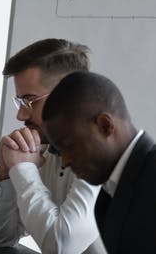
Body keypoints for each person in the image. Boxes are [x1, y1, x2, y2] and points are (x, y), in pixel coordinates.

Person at [0, 38, 104, 253]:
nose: (20, 115)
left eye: (30, 100)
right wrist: (4, 173)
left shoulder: (103, 158)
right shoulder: (41, 152)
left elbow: (62, 247)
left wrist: (24, 170)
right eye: (19, 102)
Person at [43, 71, 156, 254]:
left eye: (69, 146)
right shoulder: (105, 196)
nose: (65, 161)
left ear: (105, 125)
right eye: (59, 150)